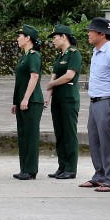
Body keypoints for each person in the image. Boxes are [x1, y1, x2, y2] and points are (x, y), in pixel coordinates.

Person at [83, 17, 110, 191]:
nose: (89, 34)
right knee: (95, 139)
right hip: (95, 101)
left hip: (108, 101)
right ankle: (99, 174)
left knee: (108, 141)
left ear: (101, 34)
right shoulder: (96, 51)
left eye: (91, 31)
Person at [46, 24, 82, 180]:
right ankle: (62, 166)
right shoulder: (59, 56)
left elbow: (69, 76)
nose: (53, 41)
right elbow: (53, 76)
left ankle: (71, 168)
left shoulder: (74, 54)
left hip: (69, 99)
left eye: (55, 37)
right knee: (59, 133)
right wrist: (48, 95)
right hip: (58, 99)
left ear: (64, 37)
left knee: (69, 133)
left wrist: (52, 85)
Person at [11, 25, 43, 180]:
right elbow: (20, 82)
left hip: (32, 101)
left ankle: (31, 170)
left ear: (28, 38)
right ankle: (24, 168)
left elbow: (34, 77)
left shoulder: (33, 55)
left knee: (30, 135)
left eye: (20, 35)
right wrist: (15, 101)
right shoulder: (24, 56)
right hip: (22, 102)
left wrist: (25, 98)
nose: (18, 38)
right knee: (23, 135)